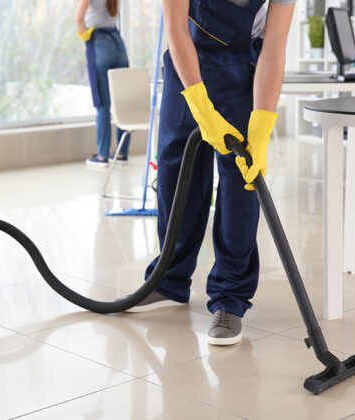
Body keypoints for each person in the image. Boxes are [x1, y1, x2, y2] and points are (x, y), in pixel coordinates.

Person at [129, 0, 296, 346]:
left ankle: (230, 299)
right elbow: (176, 28)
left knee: (239, 187)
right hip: (185, 63)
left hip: (242, 70)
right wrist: (201, 107)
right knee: (177, 179)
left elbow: (274, 49)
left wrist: (261, 127)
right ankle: (168, 280)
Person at [75, 0, 131, 167]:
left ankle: (102, 156)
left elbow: (79, 18)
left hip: (99, 42)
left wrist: (83, 34)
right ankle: (122, 153)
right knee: (122, 102)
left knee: (102, 105)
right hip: (117, 43)